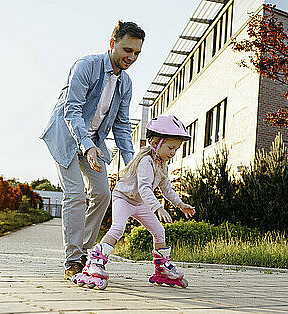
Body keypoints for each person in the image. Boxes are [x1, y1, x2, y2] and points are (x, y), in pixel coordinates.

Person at [40, 21, 145, 280]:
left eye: (136, 53)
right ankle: (72, 259)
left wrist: (133, 164)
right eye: (127, 50)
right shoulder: (86, 66)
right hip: (65, 136)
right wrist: (86, 146)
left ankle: (86, 253)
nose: (131, 57)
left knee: (102, 194)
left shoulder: (126, 83)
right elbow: (71, 110)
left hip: (94, 143)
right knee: (75, 194)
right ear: (112, 44)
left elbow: (121, 126)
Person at [72, 115, 196, 290]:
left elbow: (166, 188)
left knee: (159, 231)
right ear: (155, 143)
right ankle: (95, 261)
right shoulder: (146, 161)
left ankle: (161, 268)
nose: (173, 152)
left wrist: (180, 204)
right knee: (118, 228)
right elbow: (145, 188)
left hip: (139, 203)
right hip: (123, 198)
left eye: (176, 149)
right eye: (170, 147)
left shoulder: (162, 164)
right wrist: (158, 207)